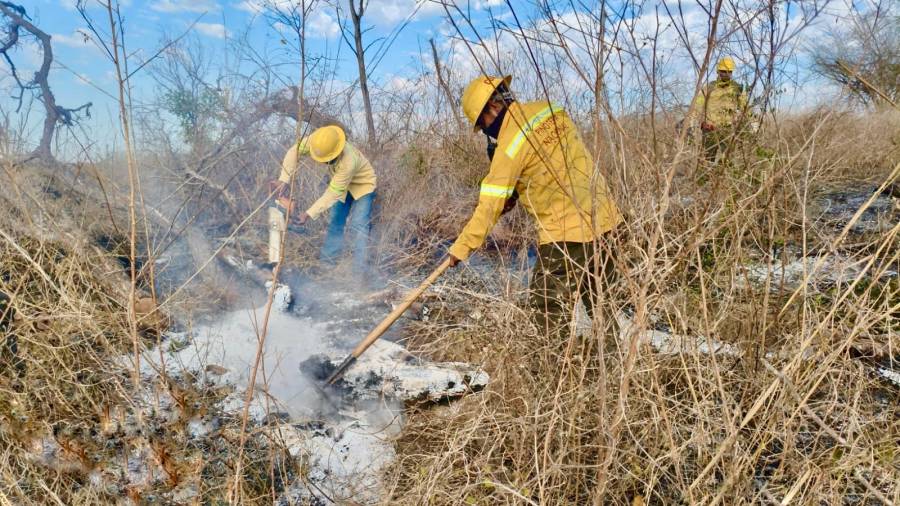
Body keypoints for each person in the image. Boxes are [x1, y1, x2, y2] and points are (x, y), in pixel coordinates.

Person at [447, 75, 624, 337]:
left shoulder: (508, 147)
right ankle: (616, 364)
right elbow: (549, 164)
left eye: (481, 123)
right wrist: (517, 192)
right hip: (607, 218)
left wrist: (459, 250)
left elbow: (488, 207)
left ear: (491, 109)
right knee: (601, 299)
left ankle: (557, 374)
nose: (484, 130)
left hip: (566, 234)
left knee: (548, 311)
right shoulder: (550, 110)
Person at [268, 125, 377, 275]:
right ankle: (327, 263)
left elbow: (332, 193)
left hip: (363, 186)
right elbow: (294, 151)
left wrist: (308, 214)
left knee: (358, 226)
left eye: (329, 160)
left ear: (337, 152)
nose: (325, 163)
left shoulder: (349, 161)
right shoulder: (317, 141)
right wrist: (284, 179)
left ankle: (360, 272)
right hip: (342, 186)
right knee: (335, 221)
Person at [689, 57, 751, 166]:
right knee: (707, 160)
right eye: (723, 71)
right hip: (709, 130)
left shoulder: (737, 88)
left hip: (727, 130)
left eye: (729, 71)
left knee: (727, 161)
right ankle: (707, 180)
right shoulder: (709, 87)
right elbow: (697, 105)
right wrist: (692, 121)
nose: (726, 74)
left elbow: (745, 108)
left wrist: (751, 123)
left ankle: (723, 181)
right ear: (718, 71)